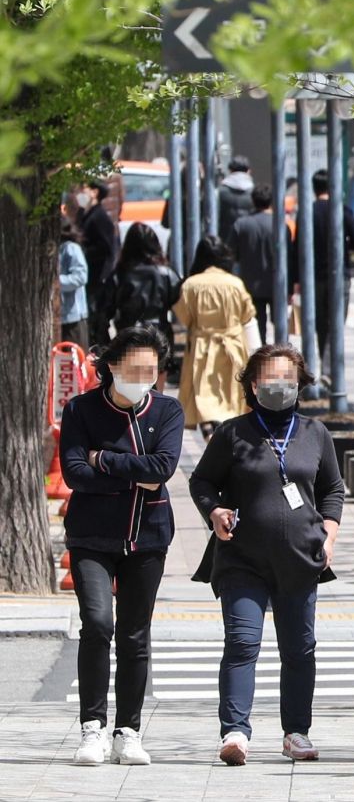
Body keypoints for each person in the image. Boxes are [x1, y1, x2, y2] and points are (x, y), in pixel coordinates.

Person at [189, 343, 345, 767]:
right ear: (253, 384)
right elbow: (201, 481)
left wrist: (329, 534)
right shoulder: (233, 432)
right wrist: (215, 510)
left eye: (288, 380)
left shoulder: (315, 433)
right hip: (242, 558)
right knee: (242, 643)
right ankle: (235, 732)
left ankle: (296, 732)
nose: (280, 387)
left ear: (300, 384)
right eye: (271, 379)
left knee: (300, 648)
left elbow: (333, 489)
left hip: (300, 558)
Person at [59, 325, 184, 767]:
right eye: (134, 369)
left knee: (135, 635)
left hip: (147, 536)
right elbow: (75, 473)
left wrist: (104, 459)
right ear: (111, 366)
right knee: (97, 623)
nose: (144, 377)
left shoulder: (167, 411)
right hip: (91, 536)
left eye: (151, 370)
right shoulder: (81, 410)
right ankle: (91, 728)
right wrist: (136, 472)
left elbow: (163, 468)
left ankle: (127, 731)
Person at [174, 235, 256, 439]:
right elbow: (247, 314)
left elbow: (183, 316)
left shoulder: (191, 284)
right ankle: (228, 433)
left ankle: (210, 429)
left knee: (205, 391)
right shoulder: (235, 283)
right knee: (231, 393)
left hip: (202, 346)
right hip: (232, 345)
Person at [294, 168, 354, 378]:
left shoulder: (307, 212)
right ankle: (331, 371)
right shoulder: (343, 211)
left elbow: (298, 247)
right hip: (340, 275)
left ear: (313, 189)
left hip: (314, 277)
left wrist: (296, 279)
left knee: (321, 323)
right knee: (336, 322)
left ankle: (326, 365)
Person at [104, 222, 181, 386]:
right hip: (159, 335)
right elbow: (178, 299)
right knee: (157, 391)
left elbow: (104, 311)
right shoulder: (166, 274)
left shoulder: (119, 275)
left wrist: (103, 344)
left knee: (130, 388)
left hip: (128, 336)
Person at [230, 184, 291, 344]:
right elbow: (290, 257)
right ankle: (281, 354)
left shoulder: (241, 225)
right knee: (280, 325)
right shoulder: (281, 226)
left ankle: (260, 357)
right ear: (271, 202)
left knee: (256, 328)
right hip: (277, 283)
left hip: (250, 283)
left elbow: (231, 255)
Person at [78, 180, 119, 346]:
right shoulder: (88, 214)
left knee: (98, 326)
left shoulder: (99, 217)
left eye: (83, 189)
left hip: (98, 280)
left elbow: (107, 249)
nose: (80, 194)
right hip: (93, 279)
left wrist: (84, 252)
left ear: (94, 192)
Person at [59, 219, 89, 349]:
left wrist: (55, 283)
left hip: (72, 318)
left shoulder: (70, 248)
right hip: (57, 318)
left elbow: (80, 277)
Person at [218, 155, 255, 242]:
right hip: (247, 237)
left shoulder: (220, 191)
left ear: (230, 170)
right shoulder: (254, 192)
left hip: (225, 237)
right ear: (248, 171)